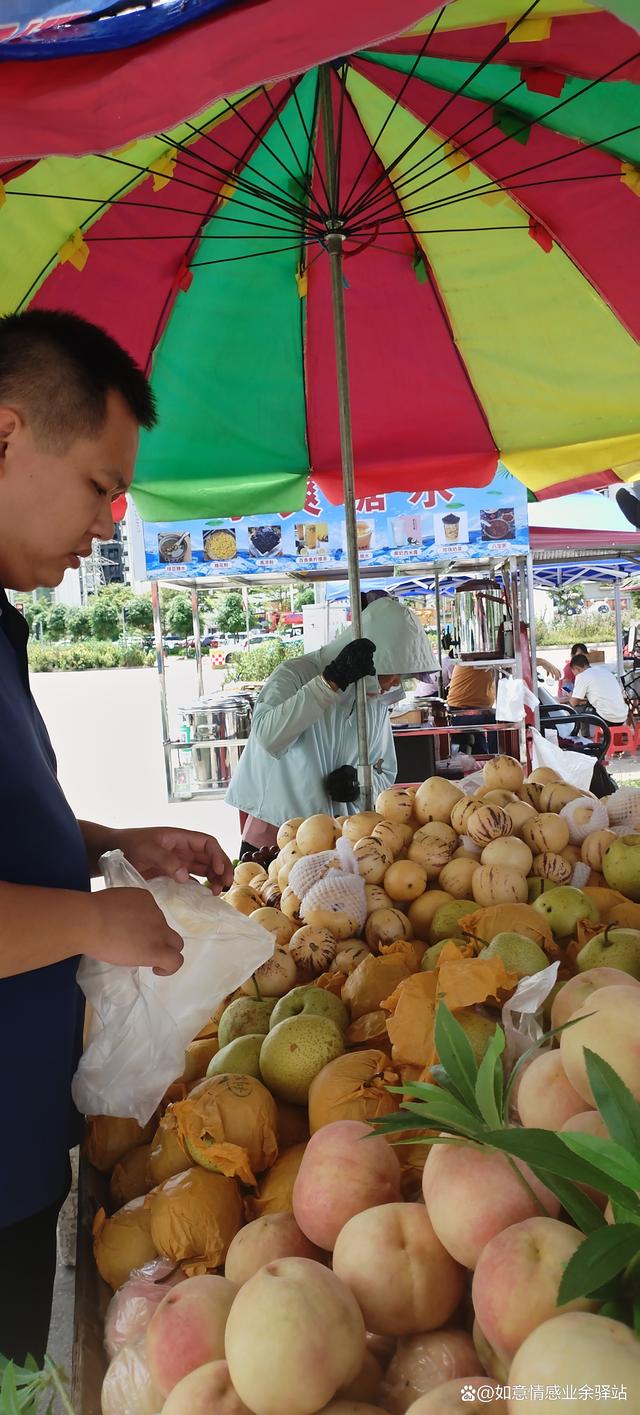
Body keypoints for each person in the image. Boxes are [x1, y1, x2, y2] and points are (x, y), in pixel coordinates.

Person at [0, 309, 233, 1365]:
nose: (110, 520)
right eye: (99, 483)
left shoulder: (3, 626)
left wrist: (112, 839)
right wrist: (97, 917)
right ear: (5, 435)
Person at [226, 597, 438, 849]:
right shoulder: (294, 674)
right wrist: (329, 684)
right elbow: (268, 738)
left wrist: (359, 780)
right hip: (276, 836)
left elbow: (386, 770)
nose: (396, 682)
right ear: (376, 659)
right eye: (396, 671)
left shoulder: (375, 700)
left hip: (339, 840)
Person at [569, 652, 628, 726]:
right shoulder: (605, 671)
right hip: (622, 717)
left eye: (574, 673)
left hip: (607, 718)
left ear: (577, 669)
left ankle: (584, 736)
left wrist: (570, 696)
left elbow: (573, 703)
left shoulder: (582, 675)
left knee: (574, 710)